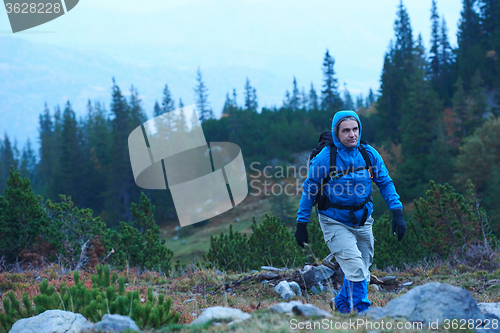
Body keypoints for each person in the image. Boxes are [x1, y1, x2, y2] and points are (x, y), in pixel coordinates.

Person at [294, 110, 406, 313]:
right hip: (334, 221)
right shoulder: (325, 158)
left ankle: (340, 304)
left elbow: (385, 183)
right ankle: (361, 315)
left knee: (363, 267)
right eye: (346, 130)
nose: (352, 134)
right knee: (355, 268)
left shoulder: (368, 153)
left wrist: (397, 212)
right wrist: (301, 224)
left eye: (355, 129)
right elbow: (309, 190)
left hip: (363, 220)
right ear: (336, 133)